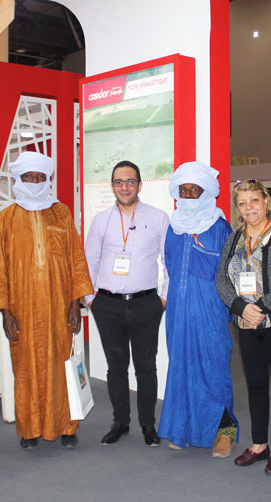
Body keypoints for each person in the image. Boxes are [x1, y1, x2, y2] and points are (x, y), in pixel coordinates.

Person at [0, 151, 93, 450]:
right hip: (23, 310)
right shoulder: (7, 218)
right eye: (28, 177)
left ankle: (67, 426)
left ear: (48, 179)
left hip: (59, 308)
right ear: (19, 179)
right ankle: (29, 429)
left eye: (40, 177)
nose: (34, 182)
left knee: (63, 366)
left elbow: (75, 259)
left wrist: (75, 304)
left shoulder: (61, 213)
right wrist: (6, 313)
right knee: (26, 369)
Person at [216, 179, 271, 474]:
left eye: (254, 200)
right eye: (242, 203)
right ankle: (259, 444)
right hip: (245, 323)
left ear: (266, 201)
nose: (249, 208)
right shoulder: (233, 239)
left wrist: (262, 307)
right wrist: (241, 308)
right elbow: (221, 279)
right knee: (255, 384)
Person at [84, 160, 169, 446]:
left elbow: (168, 261)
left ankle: (148, 424)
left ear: (140, 185)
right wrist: (91, 300)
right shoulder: (100, 221)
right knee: (116, 367)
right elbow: (89, 261)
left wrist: (164, 298)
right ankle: (120, 422)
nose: (124, 187)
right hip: (108, 305)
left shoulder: (158, 218)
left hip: (146, 304)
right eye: (119, 182)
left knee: (146, 367)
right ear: (112, 186)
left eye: (130, 181)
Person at [157, 161, 238, 458]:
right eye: (184, 190)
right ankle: (182, 429)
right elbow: (169, 266)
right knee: (181, 369)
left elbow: (231, 273)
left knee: (215, 371)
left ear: (206, 193)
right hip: (179, 312)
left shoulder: (220, 227)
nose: (189, 195)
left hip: (211, 314)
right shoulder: (174, 227)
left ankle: (225, 433)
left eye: (195, 190)